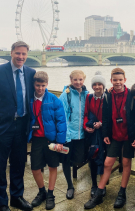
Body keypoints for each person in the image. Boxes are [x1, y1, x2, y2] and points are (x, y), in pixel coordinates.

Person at [0, 41, 36, 211]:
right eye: (18, 53)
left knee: (19, 163)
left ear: (27, 55)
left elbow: (40, 93)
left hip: (22, 125)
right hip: (1, 126)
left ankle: (16, 197)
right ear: (11, 53)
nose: (21, 57)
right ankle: (2, 203)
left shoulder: (31, 73)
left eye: (24, 54)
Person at [84, 68, 135, 209]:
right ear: (111, 81)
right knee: (108, 163)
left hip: (128, 135)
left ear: (125, 80)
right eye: (115, 80)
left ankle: (122, 192)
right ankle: (99, 194)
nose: (118, 82)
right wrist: (105, 134)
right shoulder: (108, 95)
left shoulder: (131, 95)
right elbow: (106, 116)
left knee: (126, 163)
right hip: (114, 135)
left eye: (120, 80)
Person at [27, 71, 66, 210]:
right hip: (36, 139)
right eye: (38, 85)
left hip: (51, 139)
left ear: (47, 84)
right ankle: (41, 191)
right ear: (34, 84)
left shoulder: (54, 99)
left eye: (43, 85)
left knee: (52, 166)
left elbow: (61, 121)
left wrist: (60, 141)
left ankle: (50, 194)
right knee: (35, 168)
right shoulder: (29, 99)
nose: (40, 88)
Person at [59, 70, 89, 200]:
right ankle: (70, 186)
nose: (78, 82)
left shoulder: (88, 95)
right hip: (68, 135)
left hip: (81, 134)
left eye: (80, 79)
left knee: (79, 159)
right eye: (75, 80)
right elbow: (62, 116)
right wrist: (65, 135)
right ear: (71, 80)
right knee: (66, 161)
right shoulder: (65, 95)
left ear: (84, 80)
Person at [83, 71, 107, 198]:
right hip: (92, 133)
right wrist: (86, 126)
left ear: (103, 86)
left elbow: (110, 116)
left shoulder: (107, 97)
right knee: (93, 157)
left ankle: (103, 185)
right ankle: (93, 184)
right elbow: (86, 114)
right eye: (95, 84)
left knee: (104, 158)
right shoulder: (89, 97)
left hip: (104, 133)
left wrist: (101, 123)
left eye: (100, 84)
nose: (97, 87)